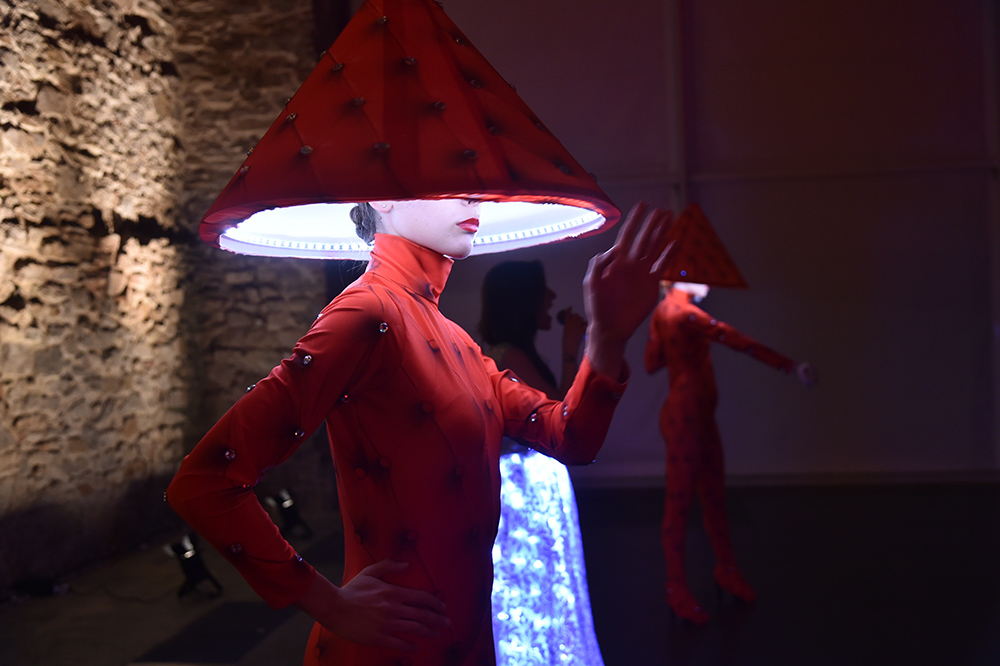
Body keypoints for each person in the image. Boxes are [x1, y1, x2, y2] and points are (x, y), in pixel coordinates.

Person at [167, 199, 674, 665]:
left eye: (473, 181)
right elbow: (206, 481)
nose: (472, 197)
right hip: (386, 647)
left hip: (468, 641)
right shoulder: (365, 314)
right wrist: (327, 603)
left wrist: (607, 339)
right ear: (382, 197)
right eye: (445, 181)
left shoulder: (456, 340)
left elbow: (570, 438)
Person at [644, 280, 816, 624]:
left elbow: (652, 362)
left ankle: (723, 569)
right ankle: (677, 585)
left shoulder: (665, 313)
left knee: (710, 496)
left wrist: (680, 348)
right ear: (679, 275)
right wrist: (789, 365)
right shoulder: (687, 314)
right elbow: (734, 338)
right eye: (699, 273)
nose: (708, 281)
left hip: (694, 414)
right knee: (684, 501)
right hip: (686, 417)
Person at [479, 261, 604, 666]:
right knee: (538, 585)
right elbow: (562, 418)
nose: (551, 298)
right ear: (523, 301)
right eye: (542, 291)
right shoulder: (510, 355)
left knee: (540, 584)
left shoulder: (509, 352)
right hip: (525, 487)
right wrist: (573, 348)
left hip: (528, 482)